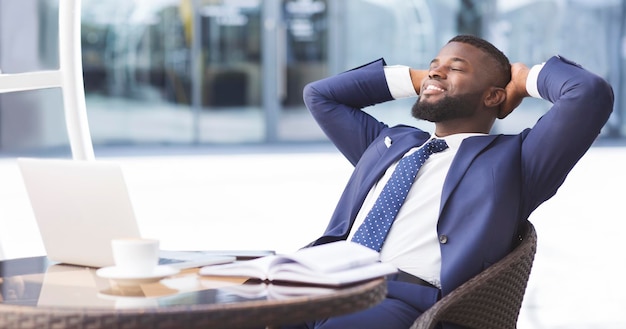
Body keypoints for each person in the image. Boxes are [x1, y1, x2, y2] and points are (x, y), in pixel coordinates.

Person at [287, 35, 614, 329]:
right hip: (323, 281)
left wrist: (523, 79)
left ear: (492, 97)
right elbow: (320, 96)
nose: (436, 71)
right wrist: (422, 80)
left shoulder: (516, 162)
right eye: (434, 65)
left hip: (400, 300)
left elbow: (588, 94)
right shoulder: (391, 144)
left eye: (456, 68)